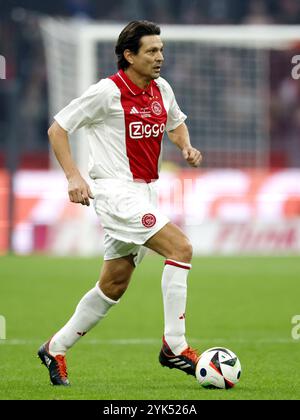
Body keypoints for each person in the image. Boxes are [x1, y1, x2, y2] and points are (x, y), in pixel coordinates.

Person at [38, 20, 202, 386]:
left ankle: (55, 347)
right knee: (181, 247)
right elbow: (58, 128)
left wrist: (185, 146)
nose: (160, 57)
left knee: (113, 285)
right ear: (129, 55)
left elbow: (175, 124)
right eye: (151, 51)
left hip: (146, 191)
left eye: (161, 49)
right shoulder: (106, 92)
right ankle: (175, 346)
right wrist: (74, 177)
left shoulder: (162, 89)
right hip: (115, 192)